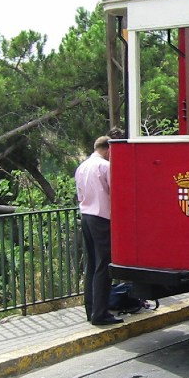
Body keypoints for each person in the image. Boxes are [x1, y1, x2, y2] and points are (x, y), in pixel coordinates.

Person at [75, 135, 121, 326]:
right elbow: (115, 191)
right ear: (108, 149)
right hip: (101, 217)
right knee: (104, 264)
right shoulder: (105, 167)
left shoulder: (82, 167)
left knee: (92, 264)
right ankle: (100, 313)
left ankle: (90, 308)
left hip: (86, 215)